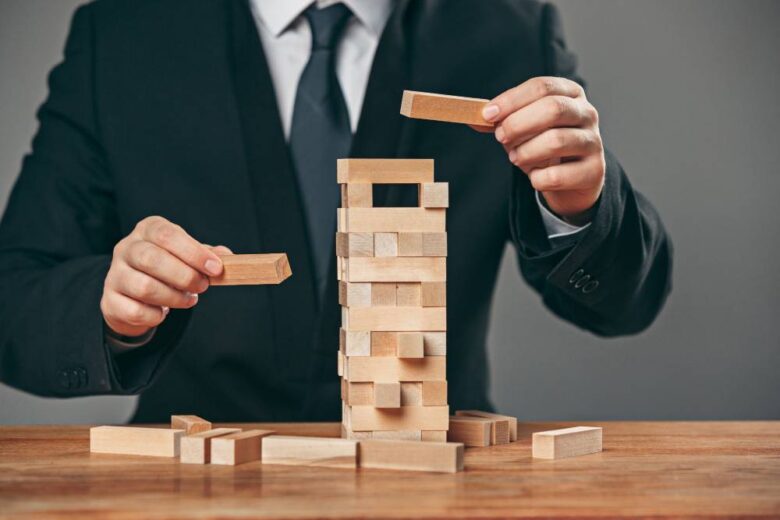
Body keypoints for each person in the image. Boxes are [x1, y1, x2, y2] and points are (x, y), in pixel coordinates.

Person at [0, 0, 671, 422]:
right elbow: (14, 296)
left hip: (436, 477)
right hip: (194, 483)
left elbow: (623, 306)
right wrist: (114, 310)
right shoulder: (122, 32)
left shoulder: (508, 30)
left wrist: (581, 207)